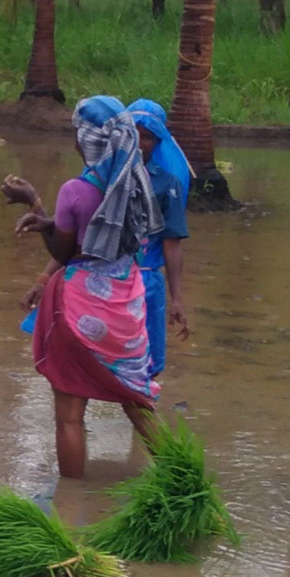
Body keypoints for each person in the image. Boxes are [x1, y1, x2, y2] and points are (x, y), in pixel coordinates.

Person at [2, 95, 161, 479]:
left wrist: (35, 205)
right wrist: (45, 219)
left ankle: (70, 504)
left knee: (69, 416)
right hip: (127, 304)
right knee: (137, 399)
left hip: (81, 307)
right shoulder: (138, 184)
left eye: (77, 132)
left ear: (87, 139)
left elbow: (66, 249)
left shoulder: (76, 191)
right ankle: (181, 474)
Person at [126, 98, 192, 374]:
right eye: (134, 135)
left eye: (148, 138)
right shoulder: (104, 176)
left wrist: (176, 298)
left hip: (147, 281)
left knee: (148, 362)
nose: (141, 143)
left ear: (158, 141)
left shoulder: (167, 184)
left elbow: (171, 243)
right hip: (107, 277)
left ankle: (141, 412)